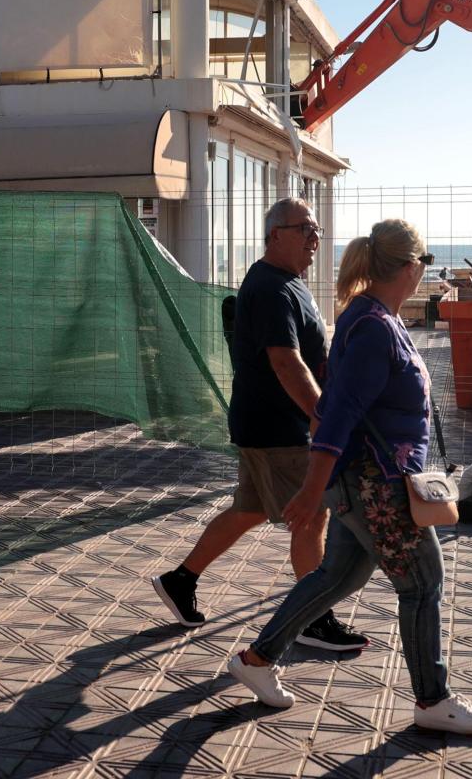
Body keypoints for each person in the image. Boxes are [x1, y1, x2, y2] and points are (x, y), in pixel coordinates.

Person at [223, 219, 472, 735]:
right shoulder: (371, 326)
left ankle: (257, 661)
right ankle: (432, 701)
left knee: (339, 576)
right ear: (412, 266)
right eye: (426, 263)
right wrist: (310, 490)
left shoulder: (371, 317)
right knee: (422, 585)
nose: (425, 273)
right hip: (377, 483)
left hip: (366, 478)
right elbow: (338, 412)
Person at [151, 198, 368, 652]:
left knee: (249, 509)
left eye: (317, 230)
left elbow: (307, 355)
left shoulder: (288, 283)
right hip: (278, 428)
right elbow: (287, 363)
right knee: (312, 517)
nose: (315, 238)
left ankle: (180, 580)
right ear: (275, 235)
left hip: (263, 425)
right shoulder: (271, 288)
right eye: (305, 229)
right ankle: (313, 618)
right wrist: (320, 419)